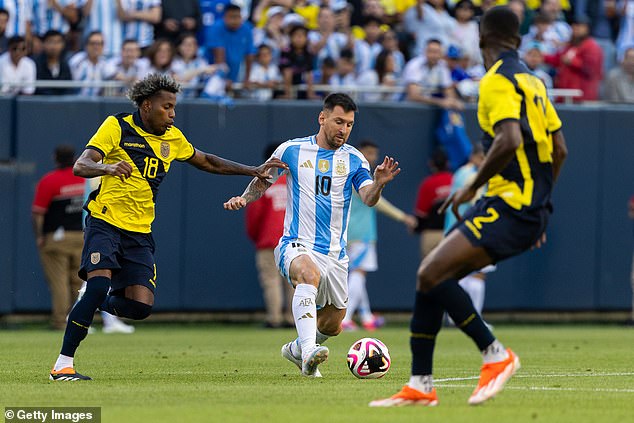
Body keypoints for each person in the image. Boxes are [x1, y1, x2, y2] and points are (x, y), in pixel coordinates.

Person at [370, 6, 567, 407]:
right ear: (517, 39)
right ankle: (420, 385)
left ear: (481, 41)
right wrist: (540, 206)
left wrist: (469, 188)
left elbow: (508, 140)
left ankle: (495, 353)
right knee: (430, 276)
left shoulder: (495, 82)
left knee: (432, 273)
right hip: (524, 207)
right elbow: (559, 149)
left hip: (509, 205)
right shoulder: (534, 81)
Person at [49, 73, 286, 381]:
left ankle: (91, 299)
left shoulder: (172, 138)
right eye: (167, 107)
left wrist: (252, 170)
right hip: (105, 221)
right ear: (147, 106)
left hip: (139, 231)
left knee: (140, 306)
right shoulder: (116, 126)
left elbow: (207, 161)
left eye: (174, 107)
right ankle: (63, 365)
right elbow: (81, 164)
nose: (173, 114)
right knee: (98, 284)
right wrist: (106, 166)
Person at [224, 93, 402, 377]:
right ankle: (308, 354)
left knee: (333, 324)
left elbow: (367, 198)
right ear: (322, 118)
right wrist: (244, 199)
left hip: (335, 253)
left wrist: (379, 184)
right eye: (338, 121)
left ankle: (296, 349)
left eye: (349, 124)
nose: (343, 129)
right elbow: (263, 180)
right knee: (307, 274)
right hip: (296, 243)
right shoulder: (290, 150)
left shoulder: (354, 159)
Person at [341, 140, 417, 331]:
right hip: (362, 234)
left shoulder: (347, 171)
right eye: (368, 152)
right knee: (358, 274)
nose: (372, 157)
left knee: (358, 274)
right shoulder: (360, 174)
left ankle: (366, 316)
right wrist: (404, 217)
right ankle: (345, 318)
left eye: (374, 153)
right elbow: (376, 201)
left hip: (348, 233)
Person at [32, 145, 85, 331]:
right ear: (75, 157)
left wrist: (39, 236)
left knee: (59, 282)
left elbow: (38, 213)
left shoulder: (49, 181)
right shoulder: (85, 178)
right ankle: (80, 322)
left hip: (57, 238)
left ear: (55, 158)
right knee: (79, 282)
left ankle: (60, 322)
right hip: (83, 236)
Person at [245, 143, 295, 329]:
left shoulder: (263, 183)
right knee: (293, 281)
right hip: (292, 240)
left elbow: (254, 216)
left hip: (268, 240)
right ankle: (292, 319)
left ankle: (274, 319)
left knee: (271, 281)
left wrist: (257, 237)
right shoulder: (294, 183)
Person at [414, 149, 452, 259]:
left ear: (431, 164)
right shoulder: (454, 180)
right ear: (447, 163)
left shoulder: (428, 184)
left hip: (431, 234)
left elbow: (421, 213)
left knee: (430, 273)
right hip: (452, 234)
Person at [34, 29, 73, 95]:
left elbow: (68, 89)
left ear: (63, 45)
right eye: (50, 41)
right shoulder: (35, 64)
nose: (54, 46)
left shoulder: (65, 65)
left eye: (58, 42)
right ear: (43, 44)